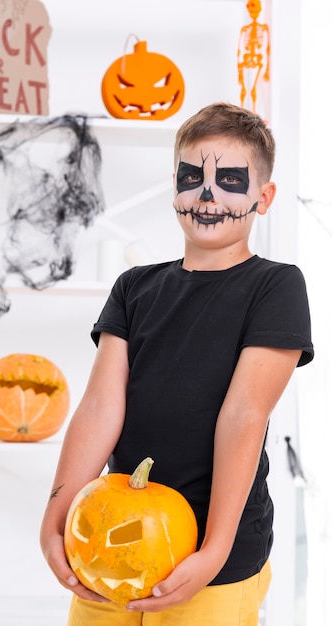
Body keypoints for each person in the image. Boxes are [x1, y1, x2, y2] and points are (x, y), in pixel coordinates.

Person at [40, 102, 314, 626]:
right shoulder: (134, 286)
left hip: (216, 558)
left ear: (264, 197)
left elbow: (243, 416)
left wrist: (212, 553)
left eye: (231, 179)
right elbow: (100, 407)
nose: (207, 195)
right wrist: (55, 520)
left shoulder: (276, 285)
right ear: (175, 187)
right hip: (111, 540)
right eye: (193, 177)